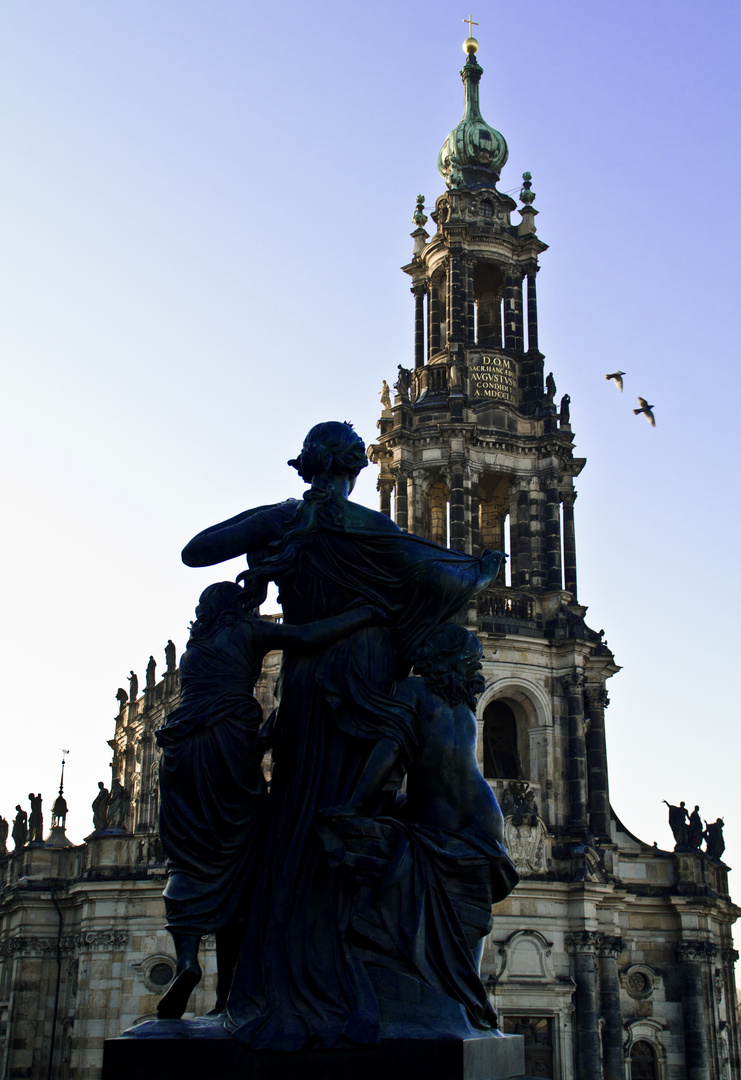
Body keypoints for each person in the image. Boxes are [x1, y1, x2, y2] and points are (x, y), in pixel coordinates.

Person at [181, 421, 504, 1050]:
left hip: (306, 676)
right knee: (352, 805)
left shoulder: (285, 518)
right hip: (367, 678)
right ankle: (345, 966)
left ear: (305, 466)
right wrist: (482, 566)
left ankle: (283, 973)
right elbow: (443, 578)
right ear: (358, 471)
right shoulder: (377, 531)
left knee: (297, 809)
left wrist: (269, 536)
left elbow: (197, 551)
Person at [155, 580, 387, 1021]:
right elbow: (304, 636)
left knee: (185, 860)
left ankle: (186, 960)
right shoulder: (247, 633)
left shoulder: (195, 646)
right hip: (228, 749)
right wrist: (365, 614)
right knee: (243, 864)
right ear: (235, 608)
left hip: (180, 754)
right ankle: (227, 995)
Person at [315, 624, 518, 1033]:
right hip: (486, 820)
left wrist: (352, 805)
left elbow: (390, 752)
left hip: (442, 825)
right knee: (468, 919)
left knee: (389, 885)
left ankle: (410, 993)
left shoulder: (413, 690)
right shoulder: (461, 701)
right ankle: (468, 1003)